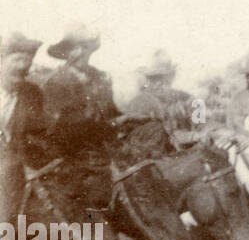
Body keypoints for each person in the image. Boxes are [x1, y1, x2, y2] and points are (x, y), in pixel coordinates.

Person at [40, 22, 119, 157]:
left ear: (91, 49)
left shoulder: (101, 78)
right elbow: (54, 127)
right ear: (64, 53)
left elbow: (112, 114)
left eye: (84, 47)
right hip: (71, 154)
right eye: (73, 49)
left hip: (102, 151)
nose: (80, 53)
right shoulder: (57, 81)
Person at [0, 33, 46, 211]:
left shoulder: (32, 93)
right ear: (1, 60)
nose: (23, 66)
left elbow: (38, 135)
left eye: (27, 61)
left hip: (16, 173)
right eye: (17, 59)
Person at [123, 50, 201, 149]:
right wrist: (194, 136)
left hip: (190, 150)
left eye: (162, 77)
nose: (158, 83)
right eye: (153, 78)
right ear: (147, 79)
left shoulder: (186, 98)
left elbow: (201, 123)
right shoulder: (140, 102)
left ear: (172, 76)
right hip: (157, 157)